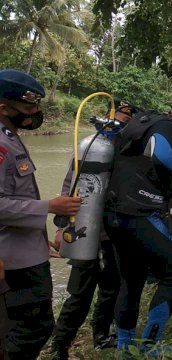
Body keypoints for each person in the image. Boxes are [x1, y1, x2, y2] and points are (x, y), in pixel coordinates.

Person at [102, 99, 172, 352]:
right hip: (138, 215)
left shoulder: (144, 123)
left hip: (115, 213)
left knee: (133, 277)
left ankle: (124, 346)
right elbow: (161, 154)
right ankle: (150, 345)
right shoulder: (167, 126)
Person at [0, 69, 82, 359]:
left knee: (34, 326)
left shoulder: (10, 137)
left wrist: (38, 239)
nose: (34, 113)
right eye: (27, 107)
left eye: (36, 106)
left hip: (26, 251)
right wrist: (49, 206)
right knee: (28, 331)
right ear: (4, 108)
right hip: (13, 263)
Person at [49, 99, 139, 360]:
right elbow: (70, 186)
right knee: (80, 293)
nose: (120, 126)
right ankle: (60, 346)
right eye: (119, 120)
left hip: (113, 232)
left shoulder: (127, 150)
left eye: (126, 122)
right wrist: (61, 227)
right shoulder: (89, 148)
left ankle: (100, 335)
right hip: (84, 232)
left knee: (111, 287)